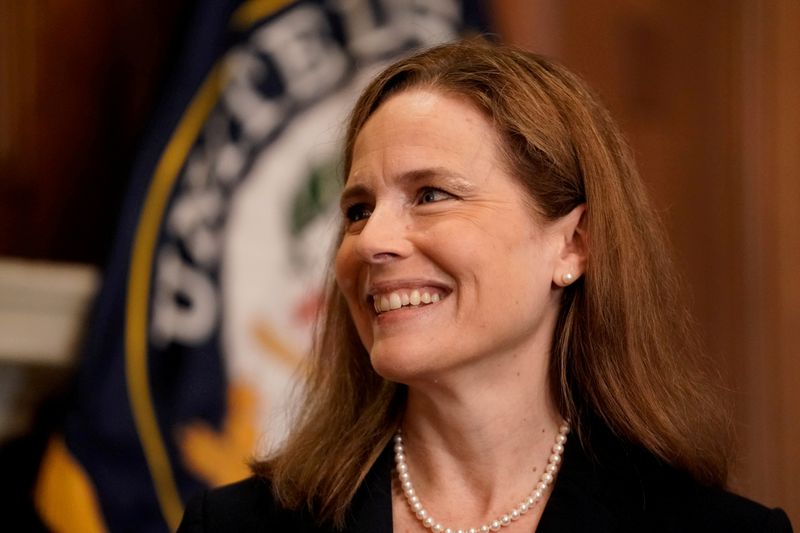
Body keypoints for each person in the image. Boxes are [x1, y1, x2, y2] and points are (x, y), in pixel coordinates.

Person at [177, 38, 793, 532]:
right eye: (358, 209)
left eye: (430, 195)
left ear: (573, 245)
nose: (370, 241)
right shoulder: (236, 525)